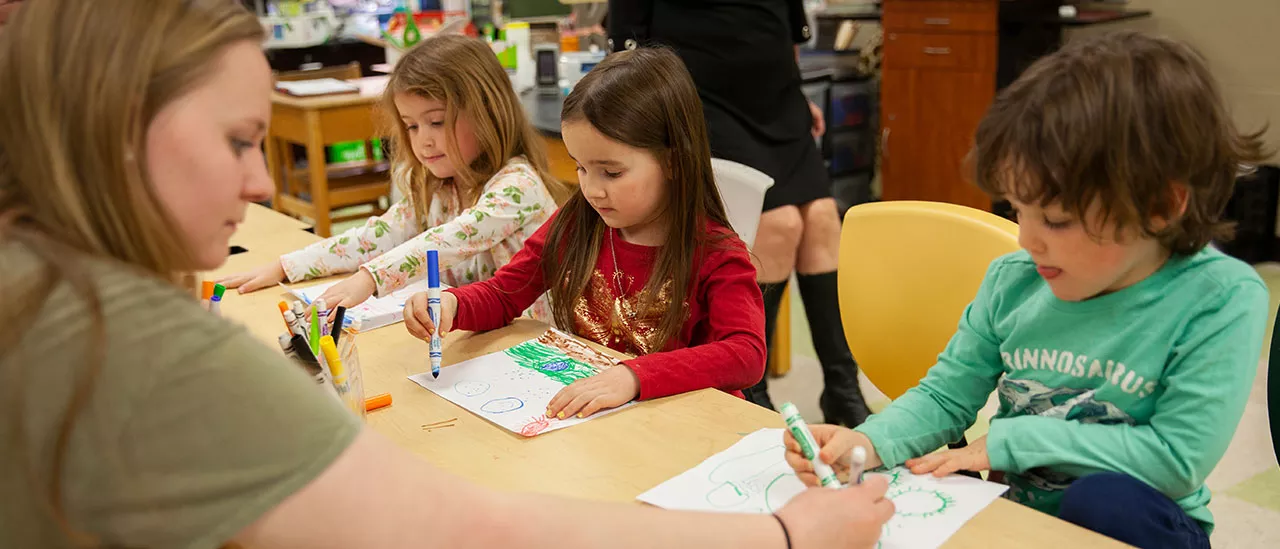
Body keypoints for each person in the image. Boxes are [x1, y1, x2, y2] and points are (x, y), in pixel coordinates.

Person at [0, 1, 894, 547]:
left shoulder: (54, 294)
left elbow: (741, 353)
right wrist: (779, 538)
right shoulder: (115, 333)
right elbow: (471, 525)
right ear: (118, 132)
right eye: (238, 140)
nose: (263, 181)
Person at [782, 31, 1271, 549]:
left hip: (1136, 523)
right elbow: (946, 396)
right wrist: (867, 441)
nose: (1027, 239)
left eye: (1057, 220)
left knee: (1101, 501)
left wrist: (1008, 443)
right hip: (1022, 513)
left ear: (1160, 207)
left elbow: (1175, 459)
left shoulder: (1220, 298)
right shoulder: (1014, 278)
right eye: (1017, 209)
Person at [405, 47, 767, 421]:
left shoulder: (715, 251)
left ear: (673, 161)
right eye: (580, 168)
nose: (592, 189)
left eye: (610, 173)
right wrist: (453, 305)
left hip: (690, 428)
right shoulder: (580, 223)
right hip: (605, 425)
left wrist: (634, 376)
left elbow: (746, 353)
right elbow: (505, 294)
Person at [607, 0, 871, 426]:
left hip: (777, 101)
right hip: (698, 104)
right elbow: (626, 42)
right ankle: (751, 389)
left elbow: (786, 31)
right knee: (778, 224)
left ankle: (843, 389)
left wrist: (800, 97)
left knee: (823, 218)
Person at [220, 34, 570, 322]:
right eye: (411, 126)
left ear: (488, 113)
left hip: (533, 348)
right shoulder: (440, 187)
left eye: (436, 121)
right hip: (478, 343)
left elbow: (446, 242)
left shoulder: (518, 187)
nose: (423, 140)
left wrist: (370, 278)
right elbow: (377, 236)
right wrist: (287, 266)